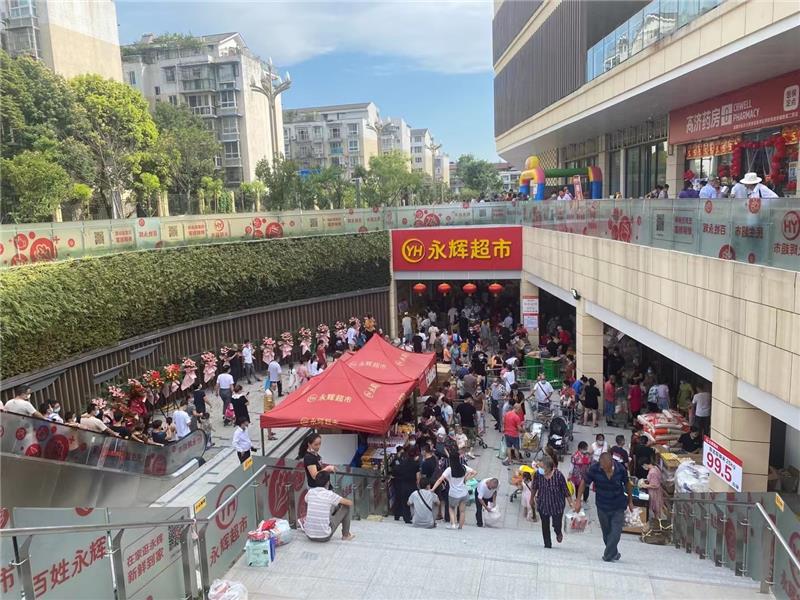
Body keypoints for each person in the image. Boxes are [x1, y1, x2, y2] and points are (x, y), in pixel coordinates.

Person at [575, 452, 633, 562]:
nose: (605, 469)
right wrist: (578, 500)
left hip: (618, 505)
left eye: (607, 468)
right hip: (602, 505)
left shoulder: (620, 469)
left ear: (612, 463)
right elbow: (584, 482)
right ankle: (614, 553)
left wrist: (630, 501)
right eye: (603, 467)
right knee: (606, 533)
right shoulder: (595, 469)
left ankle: (607, 556)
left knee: (616, 533)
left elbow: (627, 484)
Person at [531, 455, 572, 548]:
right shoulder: (538, 474)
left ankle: (558, 532)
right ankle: (547, 544)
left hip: (557, 505)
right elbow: (534, 486)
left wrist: (571, 502)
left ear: (549, 468)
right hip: (543, 503)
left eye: (542, 467)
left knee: (557, 524)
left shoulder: (558, 475)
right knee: (545, 525)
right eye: (539, 467)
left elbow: (565, 490)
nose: (540, 469)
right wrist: (531, 498)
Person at [303, 471, 355, 542]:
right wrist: (340, 501)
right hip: (324, 537)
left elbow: (306, 500)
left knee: (329, 506)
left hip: (309, 535)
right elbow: (349, 503)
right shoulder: (330, 494)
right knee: (346, 507)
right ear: (328, 483)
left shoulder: (310, 492)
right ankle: (346, 535)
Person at [431, 452, 476, 530]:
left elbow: (440, 480)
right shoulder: (463, 467)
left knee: (451, 508)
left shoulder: (449, 469)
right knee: (462, 511)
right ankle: (460, 527)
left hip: (453, 493)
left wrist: (433, 489)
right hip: (464, 492)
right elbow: (474, 472)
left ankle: (453, 524)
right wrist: (466, 478)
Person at [391, 449, 419, 523]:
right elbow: (418, 476)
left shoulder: (402, 463)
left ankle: (401, 516)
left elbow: (395, 470)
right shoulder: (416, 464)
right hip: (412, 484)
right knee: (412, 501)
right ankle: (411, 516)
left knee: (402, 500)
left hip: (403, 483)